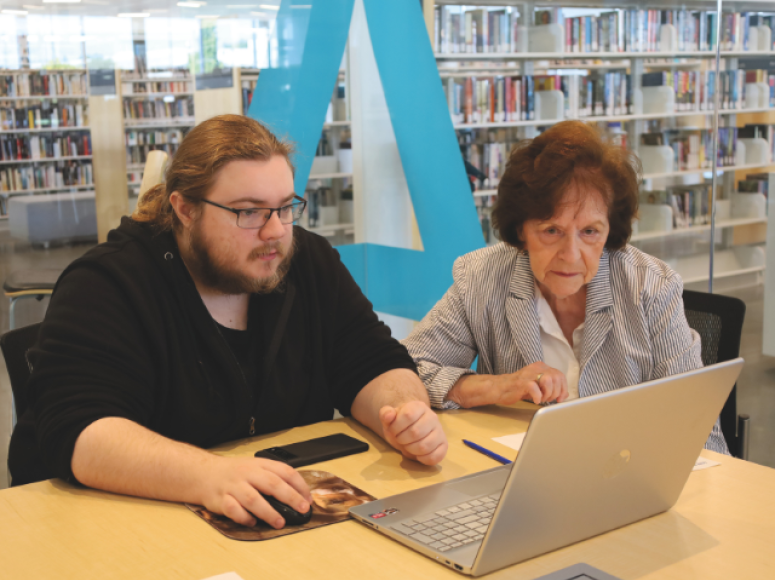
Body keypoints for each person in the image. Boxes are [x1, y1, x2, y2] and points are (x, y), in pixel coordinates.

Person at [8, 114, 448, 528]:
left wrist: (405, 411)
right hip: (109, 521)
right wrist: (210, 476)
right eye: (248, 211)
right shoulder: (110, 282)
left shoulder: (307, 261)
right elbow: (81, 433)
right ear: (184, 209)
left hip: (259, 518)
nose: (274, 231)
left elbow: (372, 359)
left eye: (284, 207)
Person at [402, 120, 728, 454]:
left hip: (626, 482)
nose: (571, 256)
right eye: (551, 230)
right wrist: (496, 387)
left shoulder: (651, 287)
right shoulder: (483, 278)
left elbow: (701, 431)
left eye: (590, 232)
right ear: (521, 231)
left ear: (610, 232)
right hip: (518, 481)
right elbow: (405, 371)